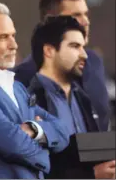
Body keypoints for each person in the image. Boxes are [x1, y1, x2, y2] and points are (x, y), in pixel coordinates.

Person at [0, 0, 70, 179]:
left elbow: (62, 129)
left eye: (13, 36)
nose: (14, 45)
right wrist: (45, 157)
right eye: (3, 37)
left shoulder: (17, 86)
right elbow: (10, 142)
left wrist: (34, 128)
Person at [12, 0, 111, 131]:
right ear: (51, 21)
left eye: (86, 14)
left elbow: (103, 120)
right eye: (76, 15)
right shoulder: (23, 76)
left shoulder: (94, 62)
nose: (85, 21)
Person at [28, 15, 115, 179]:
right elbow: (36, 164)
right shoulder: (30, 99)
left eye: (83, 47)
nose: (84, 55)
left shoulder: (83, 98)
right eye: (75, 46)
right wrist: (90, 175)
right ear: (49, 51)